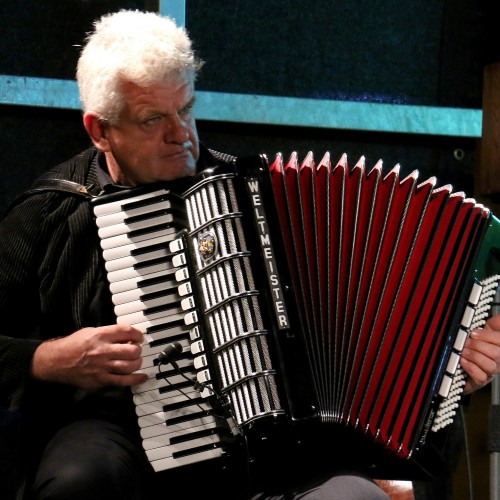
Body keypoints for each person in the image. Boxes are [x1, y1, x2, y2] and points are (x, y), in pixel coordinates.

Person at [0, 9, 499, 500]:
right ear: (99, 130)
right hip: (115, 434)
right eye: (153, 120)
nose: (181, 134)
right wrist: (47, 359)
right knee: (80, 482)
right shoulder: (49, 212)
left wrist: (453, 367)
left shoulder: (253, 197)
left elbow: (369, 343)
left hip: (261, 445)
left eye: (186, 109)